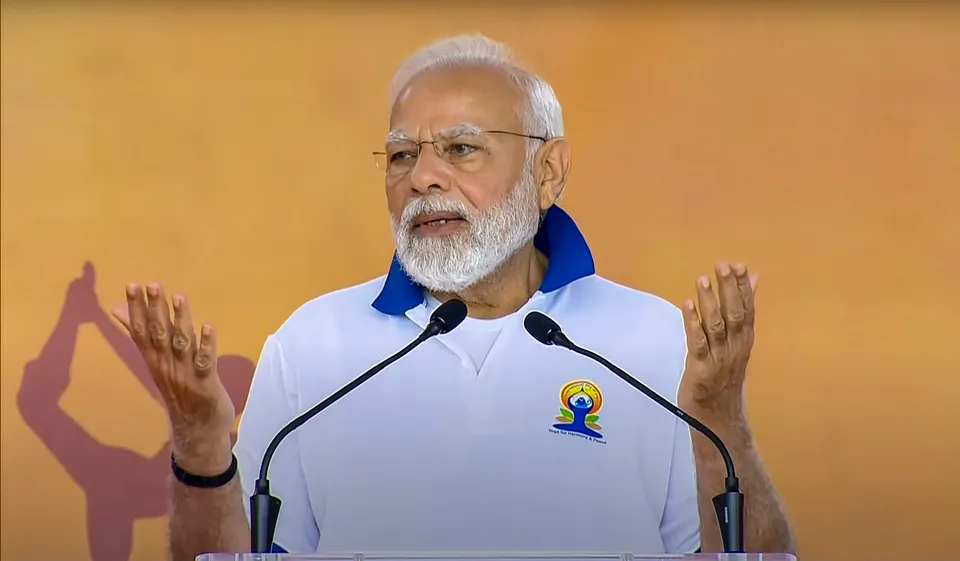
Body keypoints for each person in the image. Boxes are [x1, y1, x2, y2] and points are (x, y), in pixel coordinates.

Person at [113, 35, 797, 561]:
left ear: (548, 170)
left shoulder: (651, 339)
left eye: (461, 148)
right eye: (402, 156)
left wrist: (719, 417)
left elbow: (750, 553)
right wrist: (202, 440)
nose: (422, 178)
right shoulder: (311, 345)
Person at [17, 262, 255, 561]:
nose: (207, 380)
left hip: (146, 491)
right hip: (128, 481)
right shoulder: (186, 398)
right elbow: (147, 368)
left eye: (221, 376)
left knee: (110, 489)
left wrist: (95, 317)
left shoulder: (235, 445)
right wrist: (88, 316)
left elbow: (145, 371)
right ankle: (75, 309)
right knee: (34, 402)